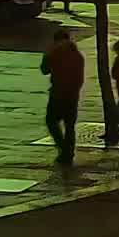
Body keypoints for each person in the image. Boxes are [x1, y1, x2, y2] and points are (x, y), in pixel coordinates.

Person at [41, 29, 84, 165]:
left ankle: (63, 148)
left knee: (51, 120)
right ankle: (69, 152)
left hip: (58, 92)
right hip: (73, 93)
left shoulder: (54, 52)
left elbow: (44, 69)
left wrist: (48, 53)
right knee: (70, 125)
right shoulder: (77, 54)